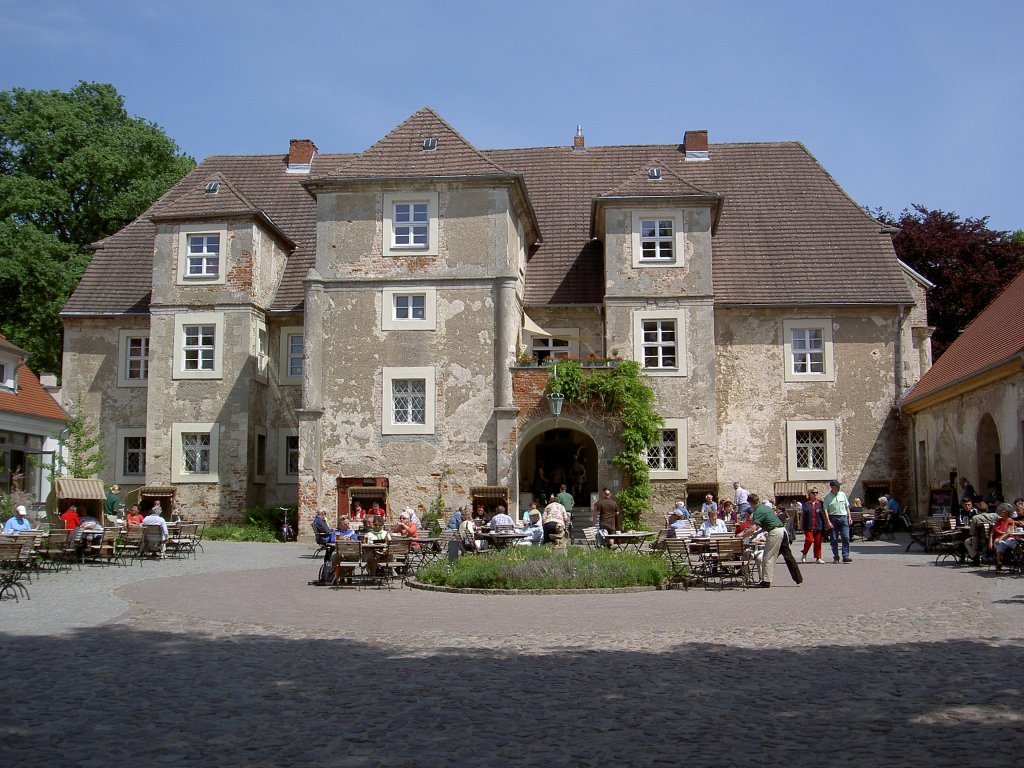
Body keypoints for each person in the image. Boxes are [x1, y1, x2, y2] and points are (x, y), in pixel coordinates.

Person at [745, 493, 802, 588]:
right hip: (782, 530)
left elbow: (753, 528)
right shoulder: (765, 508)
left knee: (768, 557)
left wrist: (742, 536)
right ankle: (798, 578)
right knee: (788, 555)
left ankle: (766, 581)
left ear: (750, 503)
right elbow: (768, 523)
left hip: (775, 532)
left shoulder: (757, 511)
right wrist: (755, 534)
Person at [823, 480, 852, 563]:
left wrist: (849, 517)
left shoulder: (842, 494)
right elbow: (825, 510)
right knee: (834, 538)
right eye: (837, 486)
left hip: (843, 517)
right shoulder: (827, 497)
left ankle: (845, 555)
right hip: (833, 518)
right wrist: (828, 521)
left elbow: (847, 506)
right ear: (832, 487)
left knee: (846, 537)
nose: (839, 487)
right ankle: (836, 557)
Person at [990, 504, 1021, 572]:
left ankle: (1018, 559)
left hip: (1008, 537)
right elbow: (992, 532)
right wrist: (990, 541)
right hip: (998, 538)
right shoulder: (998, 521)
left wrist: (1001, 538)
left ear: (1006, 512)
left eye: (1001, 511)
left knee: (1012, 542)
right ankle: (999, 562)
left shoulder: (1010, 521)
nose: (999, 513)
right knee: (1001, 543)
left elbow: (1008, 532)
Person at [801, 488, 827, 563]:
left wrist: (826, 523)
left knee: (818, 542)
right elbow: (802, 515)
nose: (815, 494)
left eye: (816, 492)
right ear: (810, 493)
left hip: (818, 525)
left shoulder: (820, 503)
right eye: (813, 492)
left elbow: (824, 514)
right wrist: (801, 525)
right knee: (809, 540)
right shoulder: (806, 503)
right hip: (808, 525)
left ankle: (818, 558)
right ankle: (804, 553)